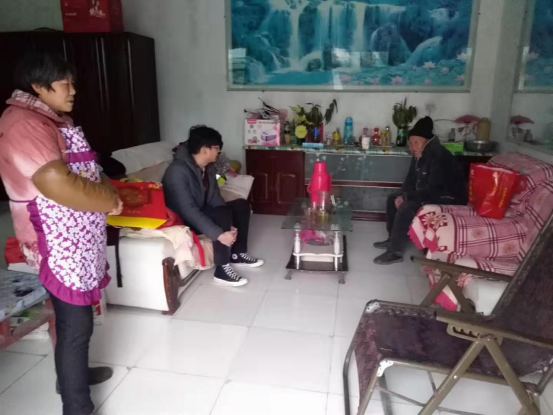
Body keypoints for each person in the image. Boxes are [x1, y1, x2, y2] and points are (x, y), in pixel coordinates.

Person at [0, 51, 123, 415]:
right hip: (56, 241)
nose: (73, 90)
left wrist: (107, 190)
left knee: (78, 319)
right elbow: (55, 182)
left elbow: (86, 169)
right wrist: (109, 200)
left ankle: (73, 377)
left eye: (72, 82)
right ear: (38, 86)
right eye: (64, 83)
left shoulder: (51, 119)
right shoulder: (24, 123)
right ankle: (76, 405)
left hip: (77, 235)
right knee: (75, 324)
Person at [162, 125, 264, 287]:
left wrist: (230, 224)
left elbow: (215, 198)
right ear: (204, 150)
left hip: (201, 210)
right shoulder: (177, 172)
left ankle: (237, 254)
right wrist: (219, 234)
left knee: (240, 205)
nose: (219, 152)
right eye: (216, 148)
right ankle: (221, 269)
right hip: (183, 220)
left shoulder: (208, 167)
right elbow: (188, 211)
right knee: (221, 214)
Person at [373, 116, 467, 265]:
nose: (412, 147)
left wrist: (407, 198)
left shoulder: (439, 156)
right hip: (429, 193)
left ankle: (395, 252)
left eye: (416, 143)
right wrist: (404, 194)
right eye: (410, 143)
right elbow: (410, 180)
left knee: (407, 207)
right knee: (393, 198)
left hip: (446, 198)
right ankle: (392, 239)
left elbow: (435, 189)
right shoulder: (419, 154)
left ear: (426, 141)